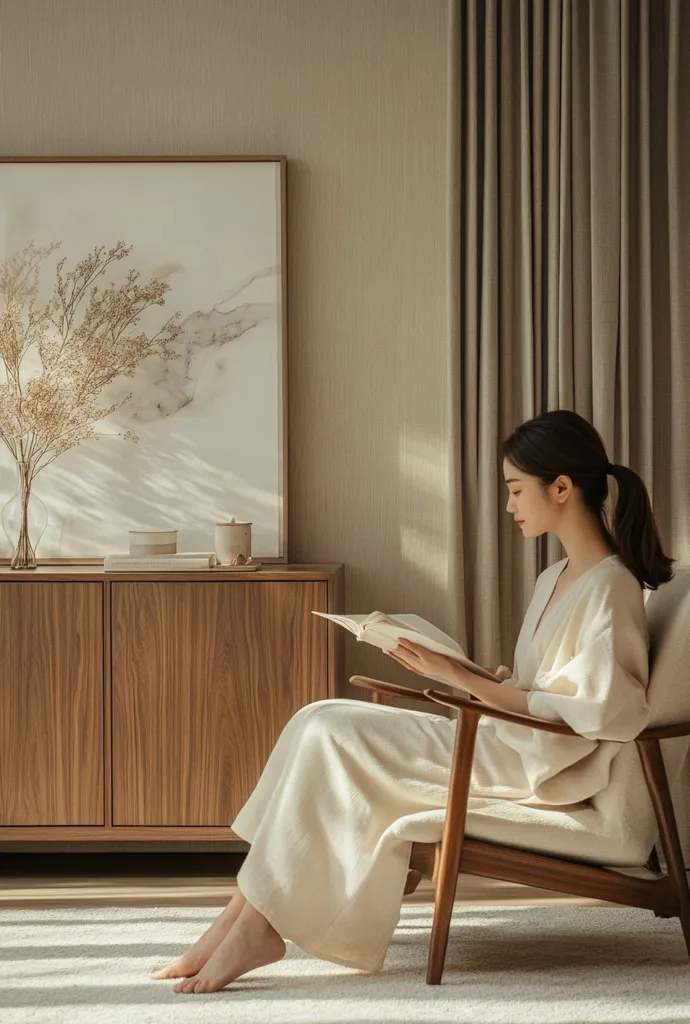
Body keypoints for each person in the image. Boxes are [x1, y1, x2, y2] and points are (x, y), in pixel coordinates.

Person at [149, 409, 674, 994]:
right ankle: (239, 919)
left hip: (538, 767)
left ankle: (252, 927)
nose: (509, 506)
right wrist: (479, 674)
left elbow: (605, 713)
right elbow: (548, 687)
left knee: (329, 731)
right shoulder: (555, 577)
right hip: (506, 738)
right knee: (315, 718)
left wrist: (457, 676)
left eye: (515, 489)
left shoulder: (611, 586)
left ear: (561, 487)